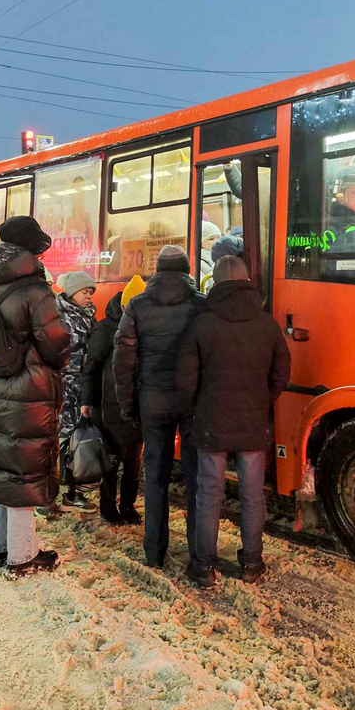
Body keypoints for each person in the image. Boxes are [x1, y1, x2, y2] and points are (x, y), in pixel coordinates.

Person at [176, 256, 291, 588]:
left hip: (212, 424)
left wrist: (196, 408)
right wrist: (263, 398)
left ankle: (203, 565)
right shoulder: (266, 324)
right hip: (253, 425)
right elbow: (282, 371)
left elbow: (185, 379)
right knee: (253, 494)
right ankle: (253, 562)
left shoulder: (202, 324)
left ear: (216, 285)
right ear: (246, 283)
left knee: (209, 493)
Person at [0, 216, 70, 577]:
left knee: (1, 467)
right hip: (28, 390)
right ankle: (22, 558)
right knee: (25, 474)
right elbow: (56, 341)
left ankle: (1, 550)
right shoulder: (34, 289)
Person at [113, 244, 208, 569]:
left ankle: (154, 553)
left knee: (155, 478)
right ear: (185, 270)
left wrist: (129, 406)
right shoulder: (200, 305)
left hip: (151, 401)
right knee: (197, 480)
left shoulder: (137, 305)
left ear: (157, 271)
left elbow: (122, 361)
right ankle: (198, 553)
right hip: (191, 402)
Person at [81, 275, 145, 525]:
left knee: (133, 460)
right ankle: (108, 507)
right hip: (107, 405)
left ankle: (128, 506)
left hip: (133, 405)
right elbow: (92, 366)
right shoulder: (105, 329)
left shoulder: (142, 325)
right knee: (111, 459)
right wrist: (87, 400)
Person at [54, 270, 99, 514]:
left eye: (91, 292)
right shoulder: (60, 316)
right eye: (85, 292)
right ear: (72, 293)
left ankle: (74, 491)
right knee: (67, 440)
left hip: (81, 385)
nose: (89, 296)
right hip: (66, 386)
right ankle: (66, 493)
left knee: (77, 440)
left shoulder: (86, 316)